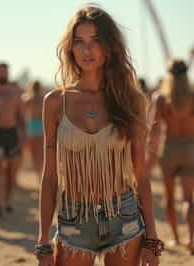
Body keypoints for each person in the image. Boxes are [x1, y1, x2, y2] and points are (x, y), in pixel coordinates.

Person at [35, 5, 163, 266]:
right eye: (79, 42)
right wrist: (43, 240)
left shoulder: (131, 100)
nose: (86, 50)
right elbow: (49, 177)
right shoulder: (55, 102)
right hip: (73, 219)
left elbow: (141, 175)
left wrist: (151, 237)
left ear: (109, 46)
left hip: (123, 217)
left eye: (95, 41)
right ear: (70, 48)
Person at [157, 59, 194, 253]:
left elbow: (153, 129)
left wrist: (148, 157)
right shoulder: (192, 97)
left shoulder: (162, 99)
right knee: (188, 198)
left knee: (169, 197)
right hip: (190, 149)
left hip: (169, 149)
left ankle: (176, 238)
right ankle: (192, 237)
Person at [0, 62, 26, 217]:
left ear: (8, 73)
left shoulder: (15, 93)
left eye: (4, 72)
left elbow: (21, 115)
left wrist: (23, 134)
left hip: (12, 133)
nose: (2, 75)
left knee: (11, 172)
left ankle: (6, 201)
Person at [24, 80, 45, 178]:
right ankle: (41, 173)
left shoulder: (28, 99)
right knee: (42, 152)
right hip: (41, 124)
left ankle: (38, 174)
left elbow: (22, 111)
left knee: (33, 152)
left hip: (32, 125)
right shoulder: (43, 98)